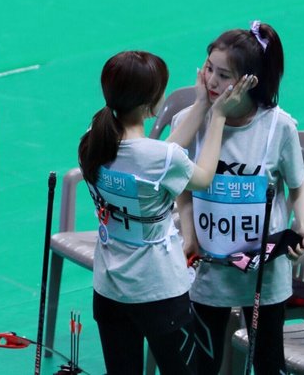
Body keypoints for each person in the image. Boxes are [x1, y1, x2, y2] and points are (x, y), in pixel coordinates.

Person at [77, 50, 255, 375]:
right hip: (159, 293)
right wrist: (217, 116)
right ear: (150, 101)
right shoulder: (159, 158)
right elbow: (202, 177)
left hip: (109, 292)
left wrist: (201, 104)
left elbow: (160, 157)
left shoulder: (93, 140)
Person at [172, 21, 304, 375]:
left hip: (263, 274)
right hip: (208, 271)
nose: (212, 81)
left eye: (223, 75)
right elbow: (182, 189)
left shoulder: (279, 127)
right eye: (209, 69)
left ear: (250, 81)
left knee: (268, 364)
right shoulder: (189, 123)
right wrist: (189, 235)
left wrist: (303, 226)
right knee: (200, 366)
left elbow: (297, 185)